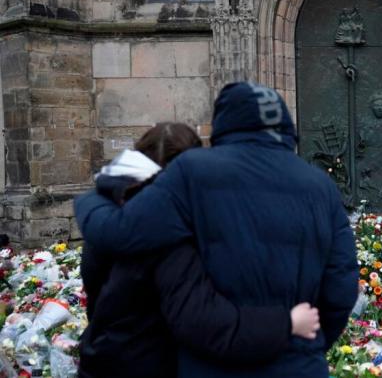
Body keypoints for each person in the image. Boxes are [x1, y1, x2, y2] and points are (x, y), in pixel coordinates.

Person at [74, 83, 359, 378]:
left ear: (223, 123)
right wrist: (302, 341)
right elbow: (341, 284)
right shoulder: (321, 185)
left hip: (211, 364)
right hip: (300, 364)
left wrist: (92, 197)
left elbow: (119, 233)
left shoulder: (192, 171)